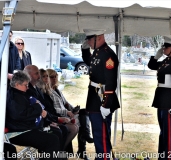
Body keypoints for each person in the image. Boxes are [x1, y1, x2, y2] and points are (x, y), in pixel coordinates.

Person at [81, 29, 120, 160]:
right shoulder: (98, 53)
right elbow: (90, 63)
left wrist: (106, 104)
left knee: (101, 135)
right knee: (99, 134)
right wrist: (85, 49)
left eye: (90, 39)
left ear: (99, 37)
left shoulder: (108, 55)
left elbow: (110, 82)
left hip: (101, 98)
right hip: (94, 98)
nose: (88, 42)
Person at [6, 70, 61, 160]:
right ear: (17, 84)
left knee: (56, 133)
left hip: (26, 127)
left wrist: (38, 109)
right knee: (52, 140)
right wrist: (37, 107)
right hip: (18, 132)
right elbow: (22, 115)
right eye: (25, 85)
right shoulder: (14, 97)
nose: (27, 87)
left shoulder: (20, 93)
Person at [147, 36, 171, 160]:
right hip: (162, 101)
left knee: (168, 135)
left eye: (166, 47)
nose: (163, 49)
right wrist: (156, 56)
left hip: (170, 103)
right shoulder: (166, 61)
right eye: (164, 46)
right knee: (163, 133)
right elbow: (151, 65)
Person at [45, 68, 93, 160]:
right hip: (60, 116)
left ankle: (84, 141)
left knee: (84, 112)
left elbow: (66, 103)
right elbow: (53, 109)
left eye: (56, 76)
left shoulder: (57, 89)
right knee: (80, 123)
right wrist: (67, 112)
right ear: (47, 78)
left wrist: (74, 109)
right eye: (52, 77)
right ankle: (82, 148)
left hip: (66, 114)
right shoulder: (47, 92)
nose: (54, 78)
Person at [23, 65, 70, 152]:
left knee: (62, 130)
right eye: (37, 74)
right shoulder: (27, 91)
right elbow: (35, 112)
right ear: (28, 75)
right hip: (32, 126)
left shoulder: (36, 89)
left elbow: (44, 110)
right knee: (57, 133)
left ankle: (59, 156)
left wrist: (52, 120)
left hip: (42, 121)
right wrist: (51, 121)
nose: (39, 76)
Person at [0, 30, 21, 97]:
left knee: (13, 98)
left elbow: (17, 61)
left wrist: (15, 73)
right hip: (0, 79)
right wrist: (6, 74)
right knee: (1, 98)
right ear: (2, 36)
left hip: (13, 79)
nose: (8, 37)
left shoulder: (14, 48)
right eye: (6, 36)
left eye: (10, 36)